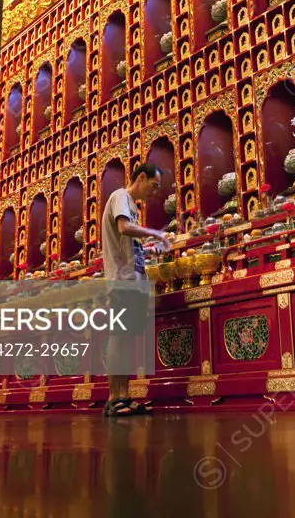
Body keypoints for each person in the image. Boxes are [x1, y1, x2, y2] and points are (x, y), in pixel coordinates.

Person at [101, 162, 170, 416]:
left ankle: (124, 395)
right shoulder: (121, 196)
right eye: (153, 185)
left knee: (127, 340)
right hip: (122, 281)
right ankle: (113, 397)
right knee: (119, 337)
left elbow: (130, 244)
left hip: (132, 280)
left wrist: (150, 250)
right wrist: (156, 234)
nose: (154, 192)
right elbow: (124, 228)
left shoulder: (131, 206)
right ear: (141, 177)